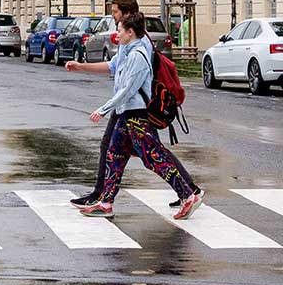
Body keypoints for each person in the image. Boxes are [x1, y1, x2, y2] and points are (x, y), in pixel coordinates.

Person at [73, 12, 203, 219]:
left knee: (153, 158)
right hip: (126, 115)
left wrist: (103, 109)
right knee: (114, 155)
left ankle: (187, 195)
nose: (117, 33)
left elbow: (128, 90)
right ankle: (106, 203)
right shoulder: (129, 50)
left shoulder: (138, 55)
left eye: (120, 30)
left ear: (130, 32)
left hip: (137, 117)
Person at [64, 0, 137, 207]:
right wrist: (81, 66)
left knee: (149, 154)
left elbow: (132, 82)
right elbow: (113, 66)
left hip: (132, 105)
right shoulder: (127, 40)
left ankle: (188, 191)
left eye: (115, 12)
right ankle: (102, 196)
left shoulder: (138, 42)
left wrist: (105, 108)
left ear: (128, 13)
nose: (112, 16)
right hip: (124, 104)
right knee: (116, 149)